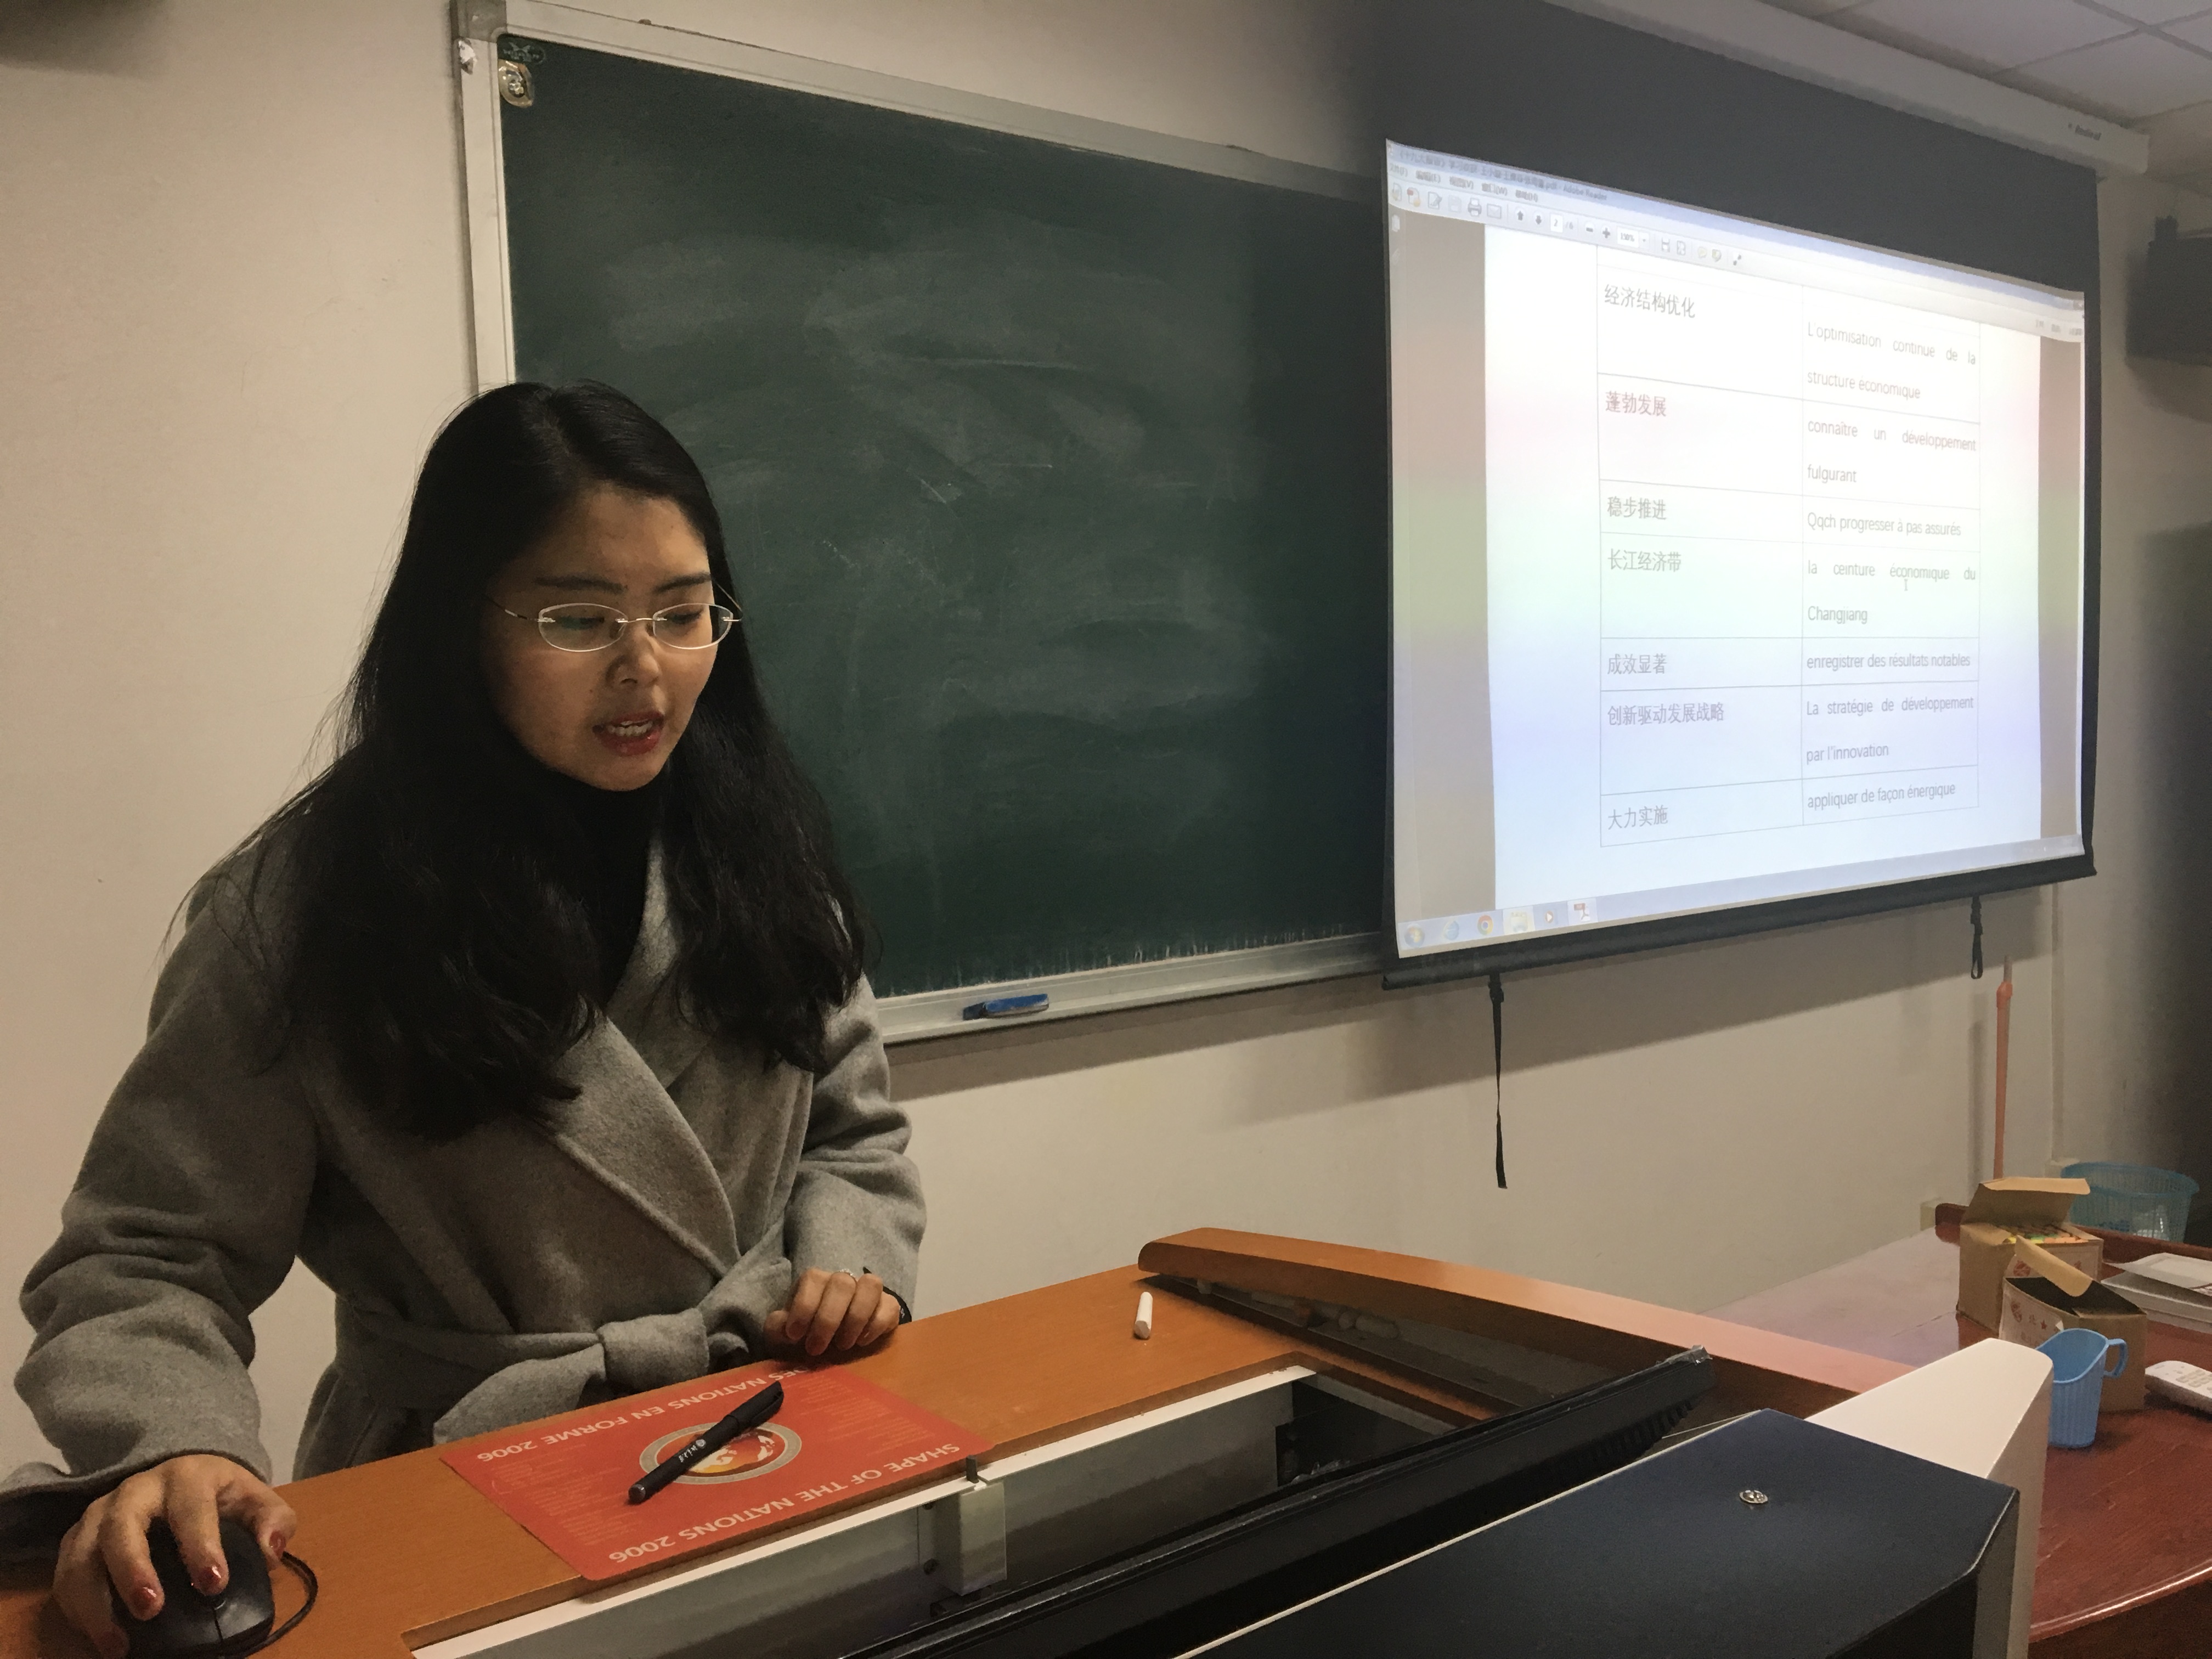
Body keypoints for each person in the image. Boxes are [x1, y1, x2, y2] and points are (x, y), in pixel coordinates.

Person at [1, 382, 924, 1658]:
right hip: (464, 1486)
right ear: (461, 625)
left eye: (682, 612)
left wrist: (851, 1267)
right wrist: (177, 1445)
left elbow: (854, 1138)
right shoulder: (306, 912)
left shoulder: (759, 851)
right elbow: (150, 1254)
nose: (646, 668)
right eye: (578, 619)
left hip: (768, 1436)